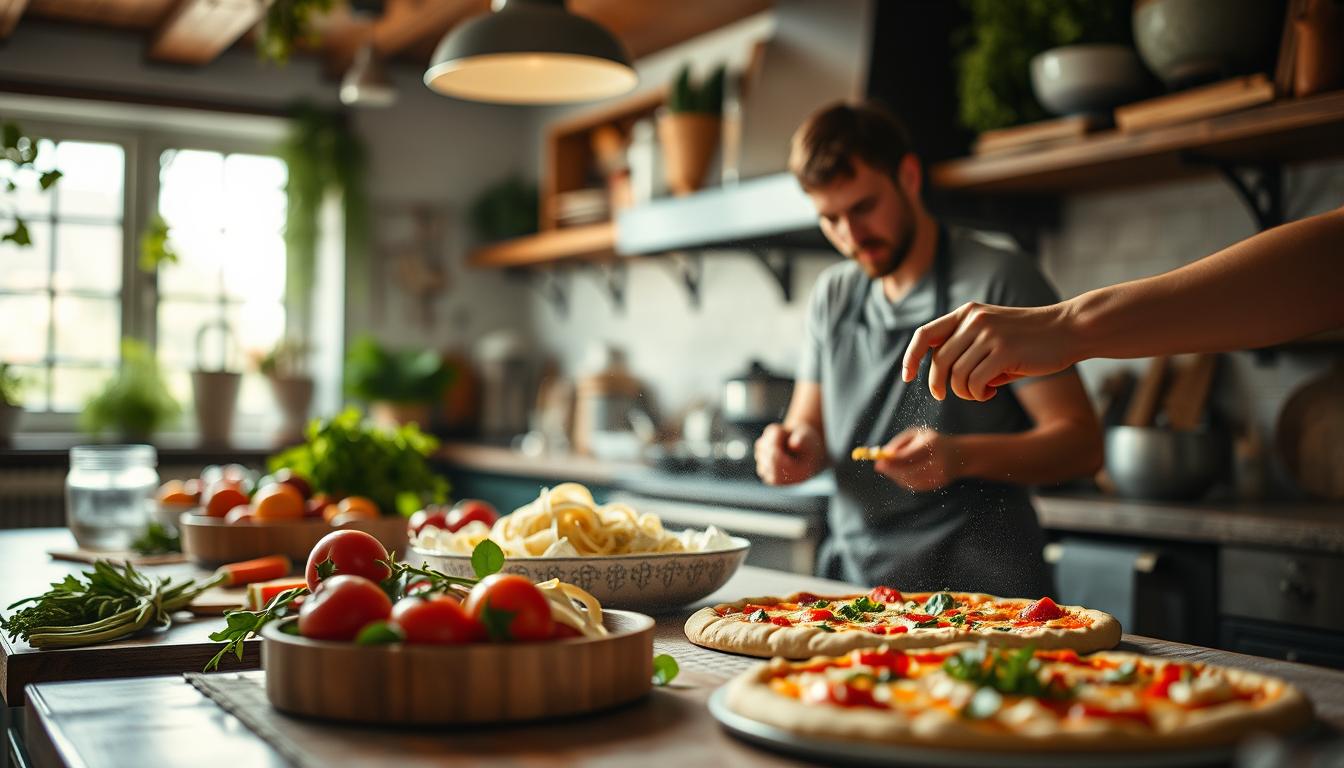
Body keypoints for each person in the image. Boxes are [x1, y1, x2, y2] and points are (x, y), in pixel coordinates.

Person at [754, 101, 1102, 596]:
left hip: (985, 596)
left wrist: (958, 456)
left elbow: (1081, 446)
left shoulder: (998, 279)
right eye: (830, 219)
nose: (851, 237)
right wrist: (792, 452)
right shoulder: (833, 296)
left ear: (909, 177)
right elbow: (809, 430)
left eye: (864, 207)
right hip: (859, 588)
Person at [901, 207, 1344, 402]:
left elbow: (1323, 265)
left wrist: (1067, 325)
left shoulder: (1002, 273)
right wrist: (1068, 327)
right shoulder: (835, 295)